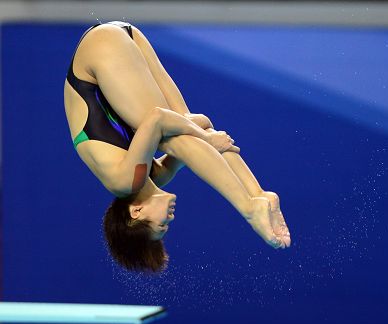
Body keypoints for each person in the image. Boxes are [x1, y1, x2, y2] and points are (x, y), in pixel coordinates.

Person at [63, 21, 291, 272]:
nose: (170, 220)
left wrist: (204, 139)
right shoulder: (155, 174)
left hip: (100, 49)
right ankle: (258, 195)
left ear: (135, 212)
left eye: (161, 226)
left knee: (170, 136)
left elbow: (159, 120)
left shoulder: (124, 180)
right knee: (181, 128)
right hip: (124, 36)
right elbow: (202, 124)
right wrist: (207, 141)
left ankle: (249, 209)